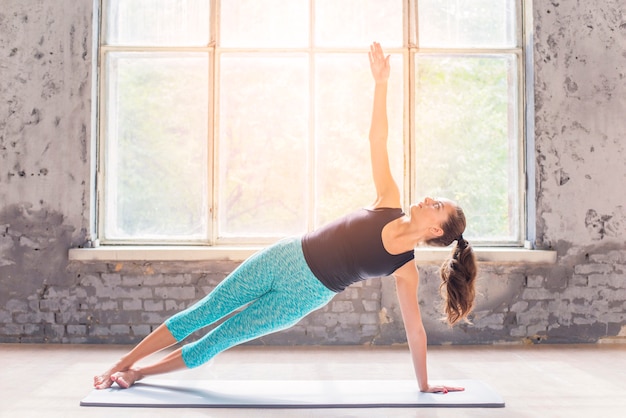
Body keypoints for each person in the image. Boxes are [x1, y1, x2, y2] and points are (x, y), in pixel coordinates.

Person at [94, 42, 477, 394]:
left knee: (219, 339)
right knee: (205, 312)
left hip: (304, 296)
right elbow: (377, 139)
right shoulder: (388, 201)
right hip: (286, 257)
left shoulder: (404, 269)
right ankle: (122, 362)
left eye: (436, 204)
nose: (428, 198)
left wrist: (425, 385)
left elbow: (414, 330)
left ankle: (138, 374)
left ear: (435, 229)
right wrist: (381, 85)